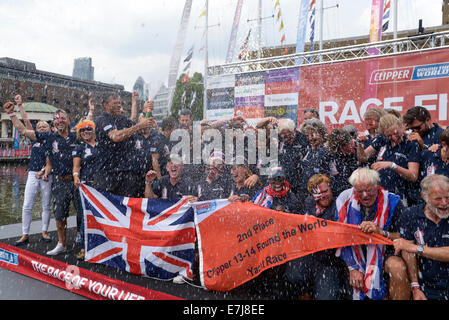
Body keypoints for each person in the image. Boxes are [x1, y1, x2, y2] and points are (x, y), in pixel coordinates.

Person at [3, 101, 80, 256]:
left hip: (77, 181)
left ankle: (84, 243)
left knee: (82, 212)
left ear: (68, 120)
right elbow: (24, 131)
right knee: (59, 215)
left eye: (62, 118)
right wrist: (12, 114)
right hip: (59, 180)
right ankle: (61, 243)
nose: (60, 121)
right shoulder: (49, 138)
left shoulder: (77, 136)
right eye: (57, 119)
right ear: (54, 122)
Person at [335, 167, 409, 300]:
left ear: (377, 186)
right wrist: (352, 267)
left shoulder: (393, 202)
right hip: (353, 254)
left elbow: (404, 237)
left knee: (398, 267)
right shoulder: (344, 200)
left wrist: (381, 232)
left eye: (368, 190)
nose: (364, 195)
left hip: (385, 252)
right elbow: (339, 237)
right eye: (359, 191)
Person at [284, 174, 349, 300]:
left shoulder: (338, 206)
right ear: (312, 195)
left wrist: (319, 228)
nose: (323, 196)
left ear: (331, 189)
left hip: (329, 261)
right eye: (318, 193)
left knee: (326, 297)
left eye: (326, 191)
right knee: (293, 274)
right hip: (310, 255)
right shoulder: (308, 202)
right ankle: (306, 291)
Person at [393, 174, 449, 300]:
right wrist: (415, 287)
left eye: (448, 197)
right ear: (424, 197)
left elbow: (411, 248)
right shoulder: (410, 215)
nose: (444, 203)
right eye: (438, 199)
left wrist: (418, 248)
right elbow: (408, 251)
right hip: (426, 286)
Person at [93, 92, 154, 197]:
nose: (119, 105)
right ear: (105, 104)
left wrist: (147, 111)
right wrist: (138, 126)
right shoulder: (102, 119)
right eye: (115, 103)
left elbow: (144, 129)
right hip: (107, 173)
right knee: (107, 210)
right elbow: (115, 137)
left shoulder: (122, 119)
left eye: (119, 103)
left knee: (126, 209)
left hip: (126, 173)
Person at [357, 114, 420, 204]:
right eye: (389, 136)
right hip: (380, 194)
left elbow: (413, 176)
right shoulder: (382, 139)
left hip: (401, 196)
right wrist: (360, 144)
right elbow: (362, 158)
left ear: (401, 126)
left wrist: (392, 165)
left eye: (396, 133)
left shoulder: (411, 143)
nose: (394, 138)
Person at [15, 120, 53, 246]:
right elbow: (26, 122)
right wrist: (19, 106)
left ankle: (44, 232)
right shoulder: (35, 139)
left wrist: (43, 171)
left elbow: (52, 160)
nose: (41, 128)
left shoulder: (51, 141)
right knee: (27, 205)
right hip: (32, 174)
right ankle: (25, 234)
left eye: (44, 127)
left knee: (46, 205)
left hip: (47, 175)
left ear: (48, 129)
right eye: (39, 127)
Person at [72, 119, 99, 260]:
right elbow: (76, 167)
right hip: (86, 186)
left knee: (100, 216)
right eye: (82, 130)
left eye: (88, 129)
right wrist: (75, 176)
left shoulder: (102, 144)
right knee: (85, 217)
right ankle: (83, 247)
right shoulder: (79, 147)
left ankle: (101, 245)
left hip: (101, 186)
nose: (85, 132)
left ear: (93, 130)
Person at [298, 118, 331, 202]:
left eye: (312, 135)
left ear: (321, 133)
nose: (310, 138)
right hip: (306, 193)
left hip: (321, 193)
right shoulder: (307, 149)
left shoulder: (327, 149)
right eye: (307, 135)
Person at [277, 118, 310, 200]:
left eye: (289, 136)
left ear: (294, 130)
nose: (287, 139)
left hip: (301, 183)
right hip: (285, 183)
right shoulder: (279, 140)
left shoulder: (304, 140)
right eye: (284, 137)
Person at [327, 128, 360, 198]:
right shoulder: (331, 158)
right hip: (340, 196)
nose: (351, 146)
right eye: (344, 145)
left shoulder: (357, 151)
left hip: (357, 193)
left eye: (350, 142)